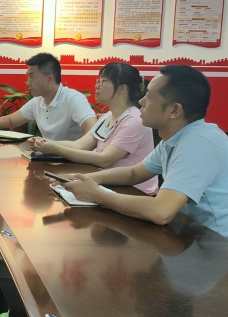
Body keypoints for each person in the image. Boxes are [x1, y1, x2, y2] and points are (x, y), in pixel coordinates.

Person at [61, 65, 228, 237]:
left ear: (174, 110)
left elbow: (161, 211)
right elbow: (134, 173)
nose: (141, 102)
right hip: (190, 233)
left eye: (149, 96)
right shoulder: (174, 137)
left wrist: (97, 195)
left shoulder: (198, 142)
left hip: (216, 243)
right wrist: (88, 179)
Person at [32, 62, 158, 195]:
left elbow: (105, 159)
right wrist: (47, 143)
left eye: (104, 81)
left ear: (122, 89)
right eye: (98, 81)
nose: (97, 85)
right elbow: (79, 145)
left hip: (134, 191)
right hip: (109, 184)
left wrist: (56, 149)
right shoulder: (108, 116)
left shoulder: (134, 120)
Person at [0, 53, 96, 141]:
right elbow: (10, 121)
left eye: (32, 77)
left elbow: (92, 133)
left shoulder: (74, 99)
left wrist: (59, 148)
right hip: (48, 158)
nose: (27, 83)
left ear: (49, 78)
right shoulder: (37, 102)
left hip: (73, 162)